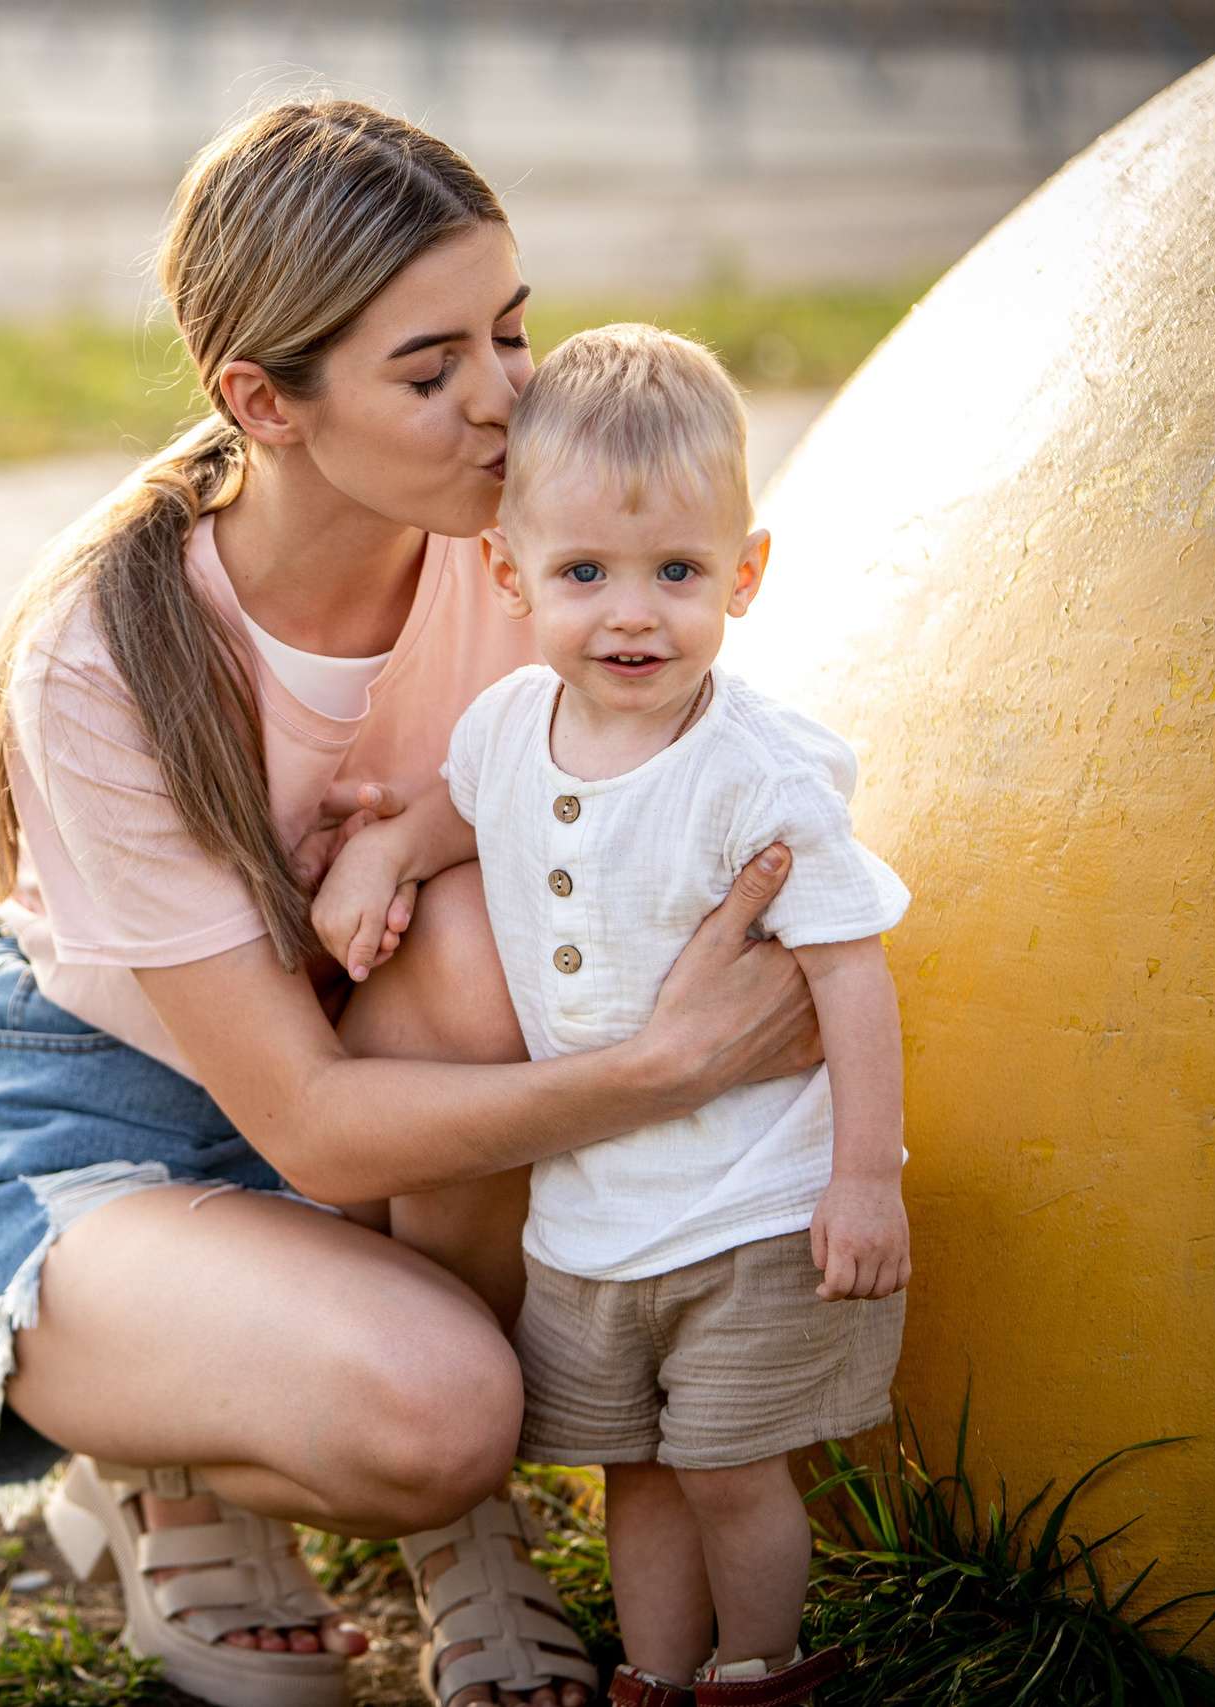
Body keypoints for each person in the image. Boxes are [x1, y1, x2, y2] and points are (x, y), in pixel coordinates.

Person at [0, 101, 826, 1707]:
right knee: (442, 1414)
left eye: (512, 330)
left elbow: (685, 790)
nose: (505, 399)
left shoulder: (529, 553)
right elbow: (318, 1127)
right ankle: (165, 1469)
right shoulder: (107, 651)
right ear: (263, 400)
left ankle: (458, 1536)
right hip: (107, 1129)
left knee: (470, 950)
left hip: (369, 1059)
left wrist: (417, 843)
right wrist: (665, 1069)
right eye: (430, 369)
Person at [309, 325, 911, 1706]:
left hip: (752, 1205)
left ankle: (759, 1671)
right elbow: (466, 807)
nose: (631, 615)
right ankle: (653, 1675)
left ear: (743, 575)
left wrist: (863, 1177)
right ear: (511, 574)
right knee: (632, 1468)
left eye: (677, 574)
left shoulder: (758, 777)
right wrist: (387, 852)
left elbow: (851, 971)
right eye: (585, 574)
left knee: (727, 1466)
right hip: (590, 1218)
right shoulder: (512, 724)